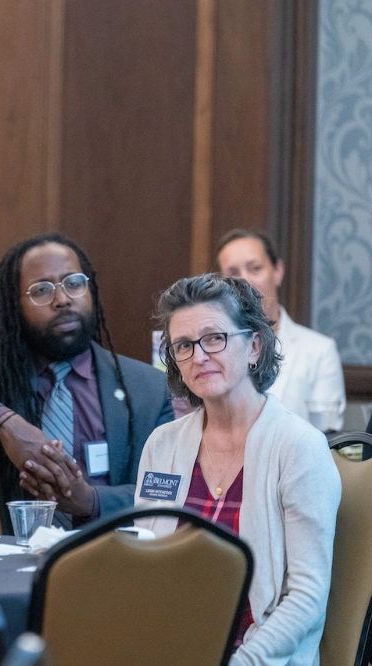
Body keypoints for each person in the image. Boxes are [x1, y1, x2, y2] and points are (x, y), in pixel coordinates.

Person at [0, 234, 173, 532]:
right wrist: (7, 424)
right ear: (15, 306)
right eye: (42, 289)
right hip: (8, 561)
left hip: (110, 560)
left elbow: (168, 494)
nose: (62, 299)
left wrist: (91, 500)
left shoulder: (149, 388)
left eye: (74, 283)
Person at [136, 274, 340, 663]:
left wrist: (242, 661)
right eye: (183, 345)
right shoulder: (162, 445)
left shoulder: (300, 448)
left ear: (254, 346)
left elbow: (307, 597)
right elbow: (146, 563)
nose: (198, 356)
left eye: (215, 338)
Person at [217, 228, 345, 430]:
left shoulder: (319, 351)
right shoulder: (211, 350)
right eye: (233, 274)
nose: (245, 281)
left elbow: (327, 437)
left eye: (255, 268)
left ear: (277, 271)